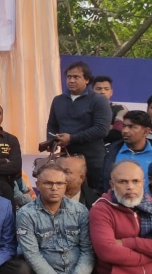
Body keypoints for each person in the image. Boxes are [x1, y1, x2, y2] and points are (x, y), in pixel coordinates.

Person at [16, 163, 107, 274]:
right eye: (48, 183)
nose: (54, 188)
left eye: (59, 183)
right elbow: (32, 255)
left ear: (65, 185)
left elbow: (88, 250)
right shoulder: (26, 214)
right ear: (38, 184)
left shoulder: (80, 211)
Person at [47, 61, 111, 194]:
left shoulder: (98, 100)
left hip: (92, 161)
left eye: (76, 77)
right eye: (69, 77)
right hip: (65, 158)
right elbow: (52, 125)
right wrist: (51, 141)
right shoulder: (58, 100)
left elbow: (101, 129)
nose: (71, 80)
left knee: (92, 196)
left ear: (87, 80)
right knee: (65, 194)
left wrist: (72, 138)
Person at [102, 110, 152, 193]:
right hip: (115, 201)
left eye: (131, 127)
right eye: (124, 126)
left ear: (146, 131)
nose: (125, 131)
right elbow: (99, 183)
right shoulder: (107, 152)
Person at [92, 76, 129, 145]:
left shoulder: (120, 109)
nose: (102, 92)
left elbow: (118, 134)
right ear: (92, 91)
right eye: (98, 89)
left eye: (106, 89)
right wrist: (108, 128)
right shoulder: (84, 108)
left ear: (111, 92)